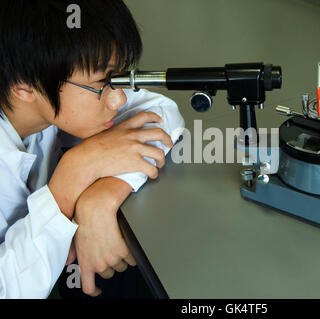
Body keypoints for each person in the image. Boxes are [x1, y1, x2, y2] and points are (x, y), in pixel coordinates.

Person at [0, 0, 184, 298]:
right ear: (24, 85)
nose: (119, 100)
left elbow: (161, 111)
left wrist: (102, 198)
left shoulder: (39, 106)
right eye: (102, 83)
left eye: (118, 78)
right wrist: (73, 175)